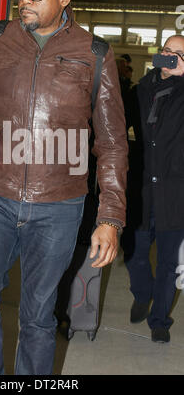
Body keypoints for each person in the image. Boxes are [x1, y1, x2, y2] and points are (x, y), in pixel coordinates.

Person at [0, 0, 128, 375]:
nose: (24, 0)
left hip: (59, 207)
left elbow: (113, 143)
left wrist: (110, 217)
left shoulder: (94, 53)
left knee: (39, 315)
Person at [123, 35, 184, 343]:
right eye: (166, 52)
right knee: (134, 251)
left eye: (178, 55)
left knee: (168, 263)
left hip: (175, 193)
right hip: (142, 188)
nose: (169, 57)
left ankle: (159, 319)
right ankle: (141, 293)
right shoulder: (142, 90)